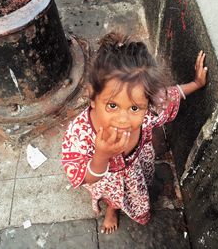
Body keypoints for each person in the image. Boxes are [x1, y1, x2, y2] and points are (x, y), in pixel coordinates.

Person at [61, 32, 207, 234]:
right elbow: (85, 177)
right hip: (105, 178)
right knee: (112, 195)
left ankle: (116, 207)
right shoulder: (81, 133)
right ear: (93, 97)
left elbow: (170, 95)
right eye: (112, 105)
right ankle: (112, 209)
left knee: (134, 193)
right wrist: (101, 155)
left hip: (135, 172)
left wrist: (197, 83)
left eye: (134, 108)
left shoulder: (149, 112)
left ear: (147, 103)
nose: (123, 119)